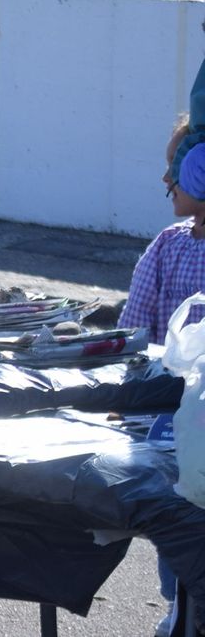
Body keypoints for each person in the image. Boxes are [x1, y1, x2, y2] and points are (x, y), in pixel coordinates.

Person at [120, 119, 205, 637]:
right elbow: (133, 339)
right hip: (173, 429)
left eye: (175, 166)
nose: (165, 179)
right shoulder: (166, 247)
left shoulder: (172, 246)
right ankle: (182, 610)